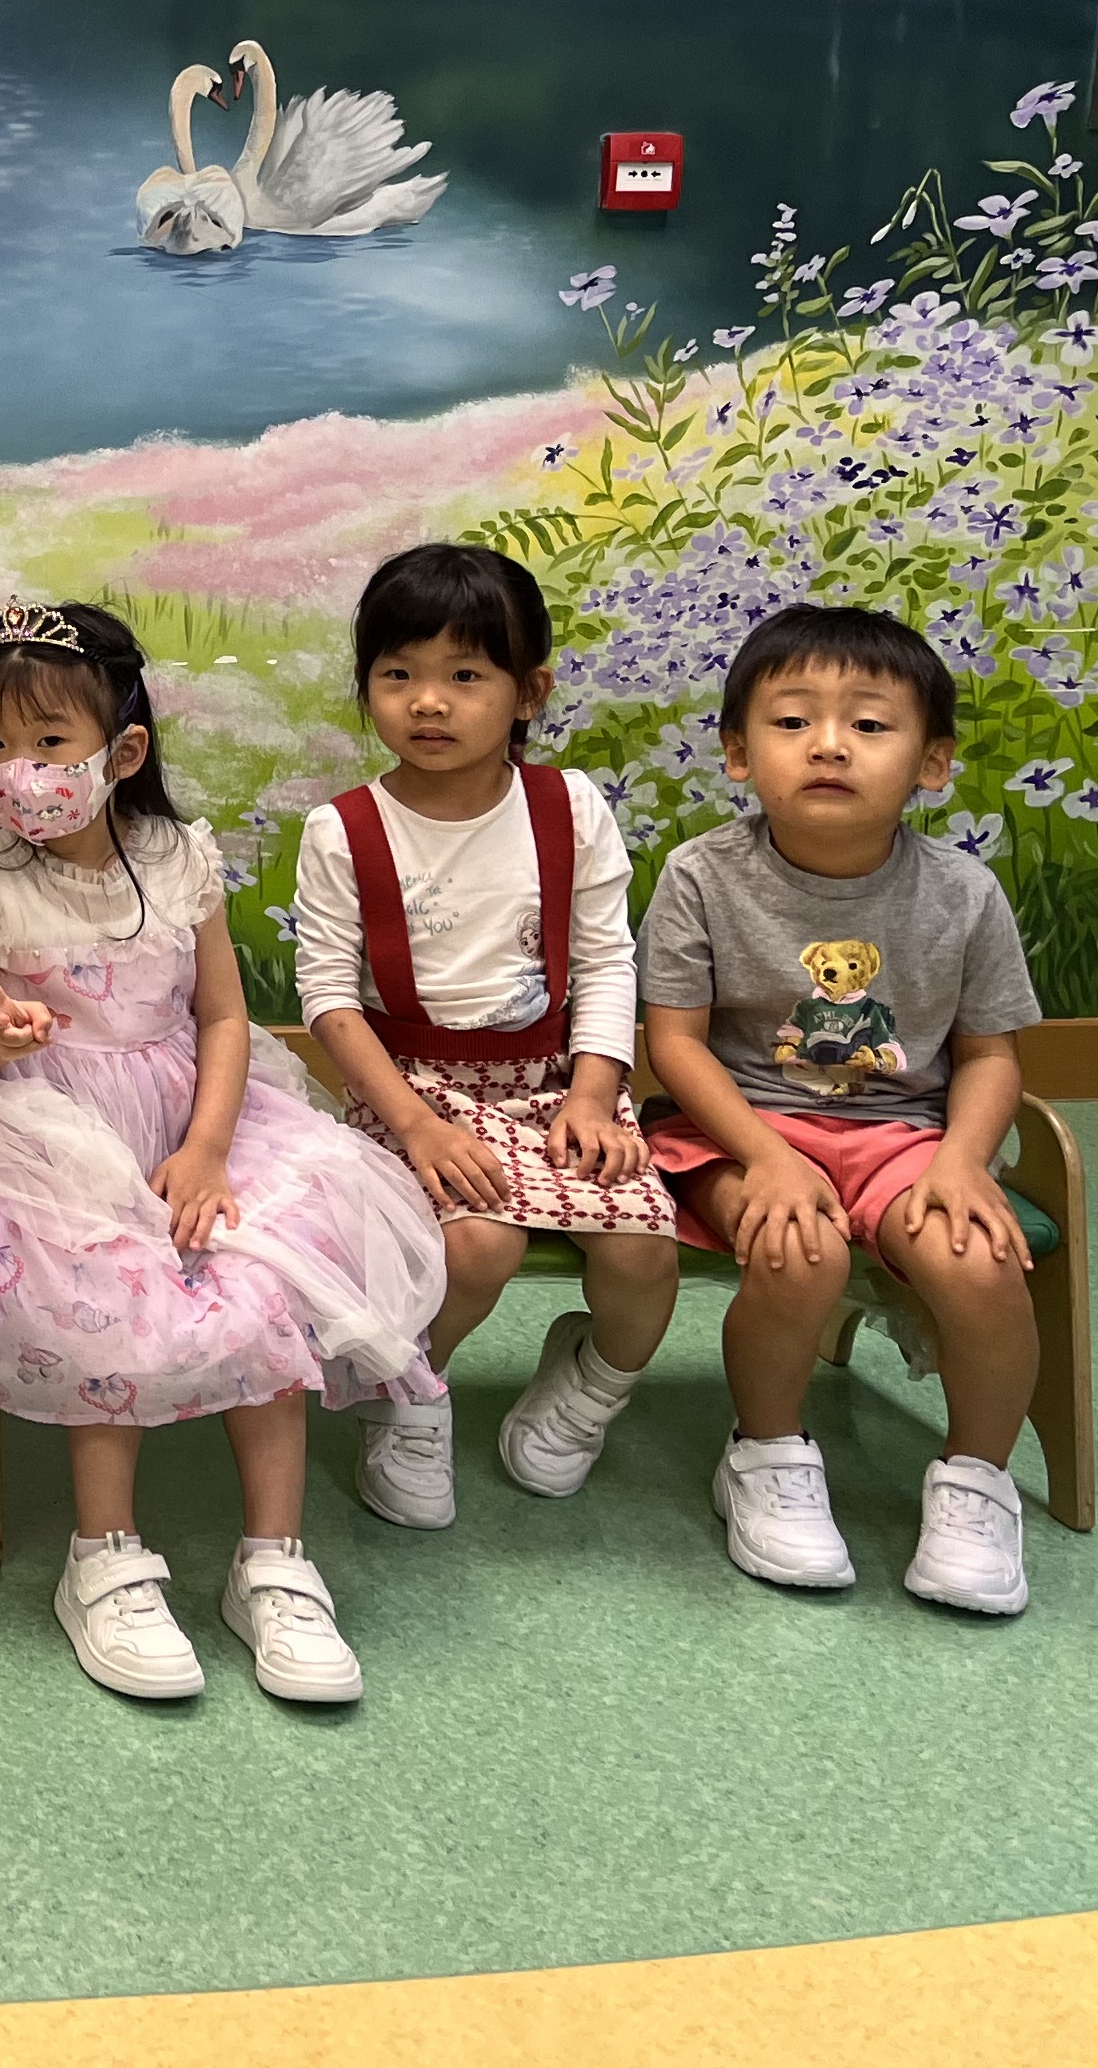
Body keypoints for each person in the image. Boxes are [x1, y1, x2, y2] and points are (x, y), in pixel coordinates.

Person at [0, 598, 443, 1707]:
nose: (17, 769)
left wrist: (207, 1150)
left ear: (123, 751)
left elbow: (223, 1016)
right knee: (112, 1292)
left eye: (49, 741)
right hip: (43, 1128)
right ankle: (104, 1553)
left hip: (195, 1118)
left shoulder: (182, 859)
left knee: (268, 1278)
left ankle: (273, 1560)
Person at [639, 602, 1045, 1615]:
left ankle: (978, 1480)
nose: (828, 744)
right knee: (799, 1251)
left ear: (932, 763)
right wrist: (768, 1159)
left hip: (905, 1135)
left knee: (979, 1263)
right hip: (744, 1127)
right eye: (792, 722)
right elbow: (675, 1045)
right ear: (739, 755)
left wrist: (962, 1161)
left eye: (868, 724)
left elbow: (991, 1056)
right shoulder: (701, 874)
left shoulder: (964, 893)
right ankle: (767, 1452)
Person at [293, 544, 682, 1528]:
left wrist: (594, 1095)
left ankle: (594, 1382)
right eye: (398, 675)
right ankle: (410, 1393)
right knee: (476, 1246)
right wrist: (417, 1125)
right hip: (409, 1088)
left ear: (528, 693)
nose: (428, 702)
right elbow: (329, 998)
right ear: (367, 687)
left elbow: (607, 963)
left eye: (465, 676)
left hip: (557, 1083)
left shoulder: (569, 808)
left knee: (643, 1254)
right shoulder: (344, 829)